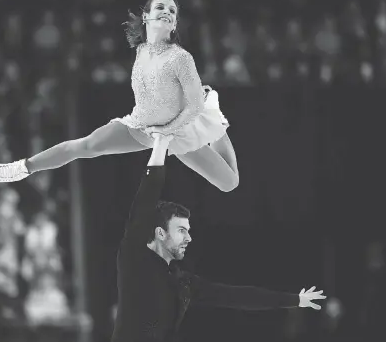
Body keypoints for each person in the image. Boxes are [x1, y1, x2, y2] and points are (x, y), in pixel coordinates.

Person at [0, 0, 239, 192]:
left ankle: (218, 126)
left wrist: (169, 130)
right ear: (146, 16)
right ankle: (20, 168)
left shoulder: (181, 58)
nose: (168, 12)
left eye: (172, 11)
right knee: (86, 146)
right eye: (161, 7)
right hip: (141, 126)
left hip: (177, 129)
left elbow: (192, 106)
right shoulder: (142, 50)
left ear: (174, 25)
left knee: (229, 183)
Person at [111, 133, 326, 342]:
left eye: (188, 230)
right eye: (181, 230)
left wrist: (296, 300)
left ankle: (217, 129)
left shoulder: (182, 282)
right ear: (160, 233)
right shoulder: (135, 255)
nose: (189, 238)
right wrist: (160, 142)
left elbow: (237, 296)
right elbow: (148, 192)